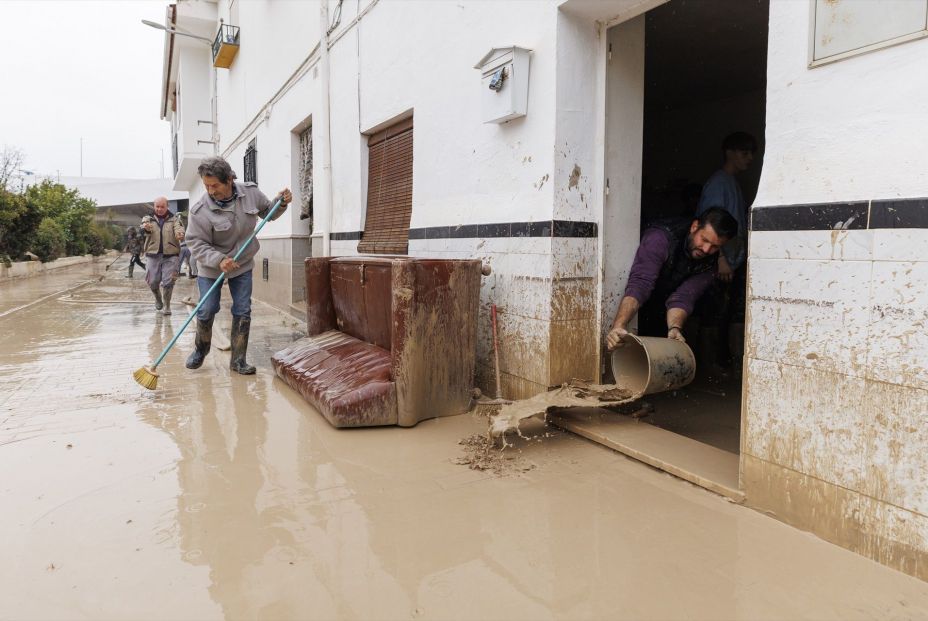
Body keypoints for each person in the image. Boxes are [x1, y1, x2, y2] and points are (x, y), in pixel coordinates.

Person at [184, 156, 292, 375]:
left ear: (230, 180)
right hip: (211, 265)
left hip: (241, 262)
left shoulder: (250, 193)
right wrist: (218, 260)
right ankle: (200, 349)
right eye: (206, 186)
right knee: (207, 308)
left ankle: (238, 360)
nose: (210, 190)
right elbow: (195, 242)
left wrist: (281, 202)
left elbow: (268, 212)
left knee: (242, 309)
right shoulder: (199, 211)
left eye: (215, 185)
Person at [605, 208, 738, 350]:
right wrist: (619, 325)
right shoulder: (660, 238)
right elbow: (641, 283)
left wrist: (674, 328)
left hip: (664, 307)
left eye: (715, 246)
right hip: (640, 300)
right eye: (704, 240)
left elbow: (684, 297)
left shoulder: (710, 264)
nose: (706, 249)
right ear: (694, 227)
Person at [696, 131, 757, 367]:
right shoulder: (718, 183)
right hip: (720, 261)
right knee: (713, 315)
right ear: (729, 152)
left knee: (729, 313)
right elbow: (710, 225)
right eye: (744, 152)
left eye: (751, 153)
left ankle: (727, 368)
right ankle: (707, 371)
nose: (749, 158)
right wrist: (721, 258)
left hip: (733, 261)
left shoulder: (732, 183)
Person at [141, 197, 185, 315]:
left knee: (169, 281)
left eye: (162, 207)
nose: (159, 209)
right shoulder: (148, 219)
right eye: (157, 207)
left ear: (167, 207)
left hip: (171, 255)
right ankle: (157, 298)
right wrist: (146, 228)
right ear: (154, 206)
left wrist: (179, 234)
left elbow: (179, 228)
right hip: (152, 255)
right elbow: (145, 229)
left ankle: (167, 305)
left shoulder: (175, 219)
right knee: (152, 281)